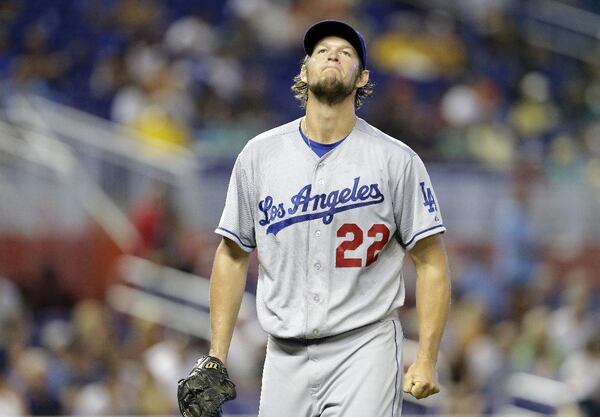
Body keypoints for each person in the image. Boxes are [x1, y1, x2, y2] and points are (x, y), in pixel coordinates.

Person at [177, 20, 451, 417]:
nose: (333, 55)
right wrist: (217, 355)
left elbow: (432, 261)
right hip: (285, 353)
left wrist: (426, 355)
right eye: (321, 51)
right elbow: (232, 254)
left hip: (365, 347)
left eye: (346, 52)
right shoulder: (260, 156)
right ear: (304, 71)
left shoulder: (396, 160)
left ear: (363, 78)